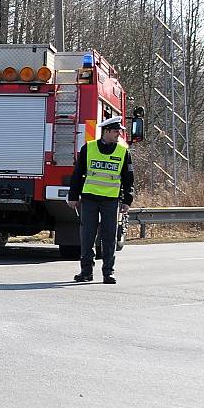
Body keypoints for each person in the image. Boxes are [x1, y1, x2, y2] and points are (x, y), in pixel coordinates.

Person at [67, 116, 134, 284]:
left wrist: (127, 200)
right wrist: (73, 196)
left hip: (111, 200)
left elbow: (128, 178)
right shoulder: (88, 149)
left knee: (109, 237)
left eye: (119, 131)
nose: (119, 134)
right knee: (87, 236)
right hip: (89, 198)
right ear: (106, 131)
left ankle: (108, 273)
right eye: (116, 131)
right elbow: (77, 175)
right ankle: (86, 272)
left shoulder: (123, 151)